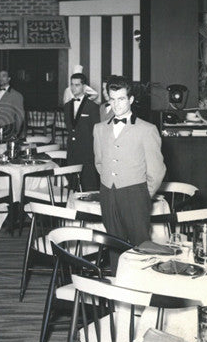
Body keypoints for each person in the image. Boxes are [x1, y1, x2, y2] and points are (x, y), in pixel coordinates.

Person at [93, 75, 166, 246]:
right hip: (108, 194)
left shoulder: (147, 130)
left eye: (121, 99)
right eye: (112, 99)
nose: (116, 104)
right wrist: (109, 184)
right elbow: (100, 163)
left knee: (141, 245)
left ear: (131, 99)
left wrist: (142, 195)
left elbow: (156, 171)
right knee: (113, 244)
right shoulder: (99, 129)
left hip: (135, 195)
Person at [64, 72, 101, 191]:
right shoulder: (67, 106)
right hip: (72, 150)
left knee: (89, 183)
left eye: (77, 85)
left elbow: (96, 130)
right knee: (72, 184)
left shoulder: (92, 107)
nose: (74, 88)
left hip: (87, 151)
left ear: (84, 87)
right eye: (72, 85)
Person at [0, 69, 25, 137]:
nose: (1, 78)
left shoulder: (16, 95)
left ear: (9, 78)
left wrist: (16, 132)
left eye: (4, 76)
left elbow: (20, 115)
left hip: (9, 128)